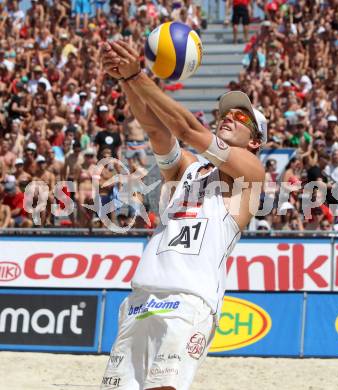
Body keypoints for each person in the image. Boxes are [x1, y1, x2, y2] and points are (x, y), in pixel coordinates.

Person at [100, 39, 266, 390]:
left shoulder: (250, 174)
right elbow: (158, 131)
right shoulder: (190, 169)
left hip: (189, 301)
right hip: (141, 296)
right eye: (226, 114)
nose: (230, 118)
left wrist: (138, 75)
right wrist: (127, 82)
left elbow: (188, 130)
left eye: (241, 118)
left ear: (254, 141)